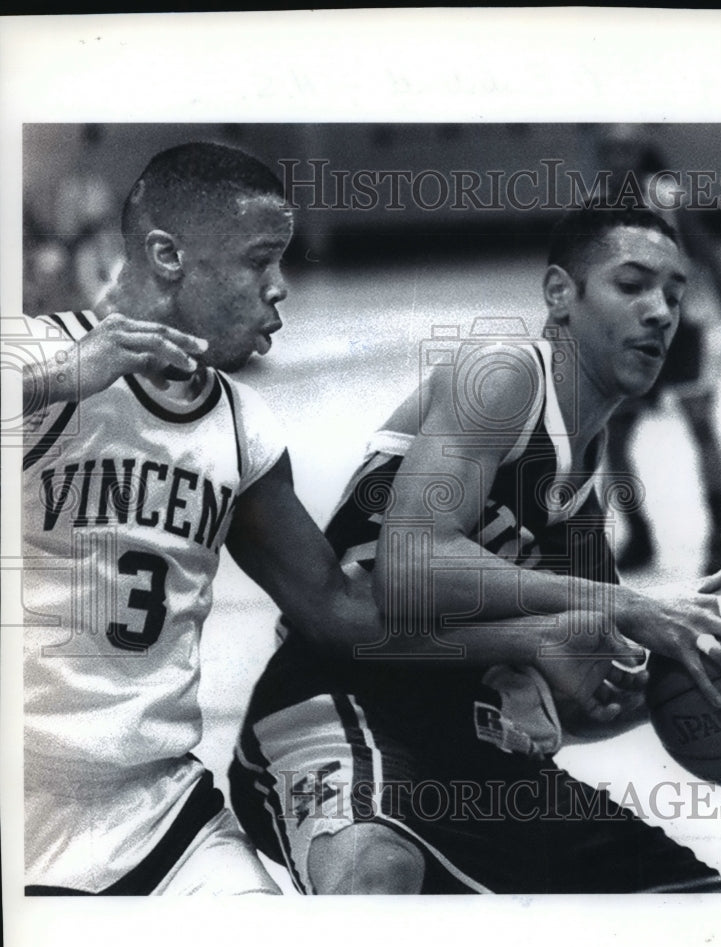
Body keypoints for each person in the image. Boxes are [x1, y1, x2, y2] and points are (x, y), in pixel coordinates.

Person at [20, 142, 677, 896]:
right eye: (258, 262)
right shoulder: (37, 356)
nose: (280, 290)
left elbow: (337, 612)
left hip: (161, 812)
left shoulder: (240, 426)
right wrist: (61, 379)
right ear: (169, 255)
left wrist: (536, 638)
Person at [230, 204, 721, 894]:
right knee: (377, 872)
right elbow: (408, 567)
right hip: (340, 705)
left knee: (699, 906)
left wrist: (690, 684)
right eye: (632, 284)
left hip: (471, 747)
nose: (660, 312)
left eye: (674, 293)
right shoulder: (503, 378)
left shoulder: (583, 488)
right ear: (560, 293)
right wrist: (623, 605)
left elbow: (578, 703)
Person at [597, 125, 721, 576]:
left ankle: (720, 539)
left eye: (626, 146)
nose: (618, 156)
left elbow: (707, 252)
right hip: (633, 331)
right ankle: (639, 533)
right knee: (613, 440)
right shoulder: (598, 203)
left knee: (702, 428)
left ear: (640, 150)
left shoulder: (664, 194)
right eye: (610, 148)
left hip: (684, 326)